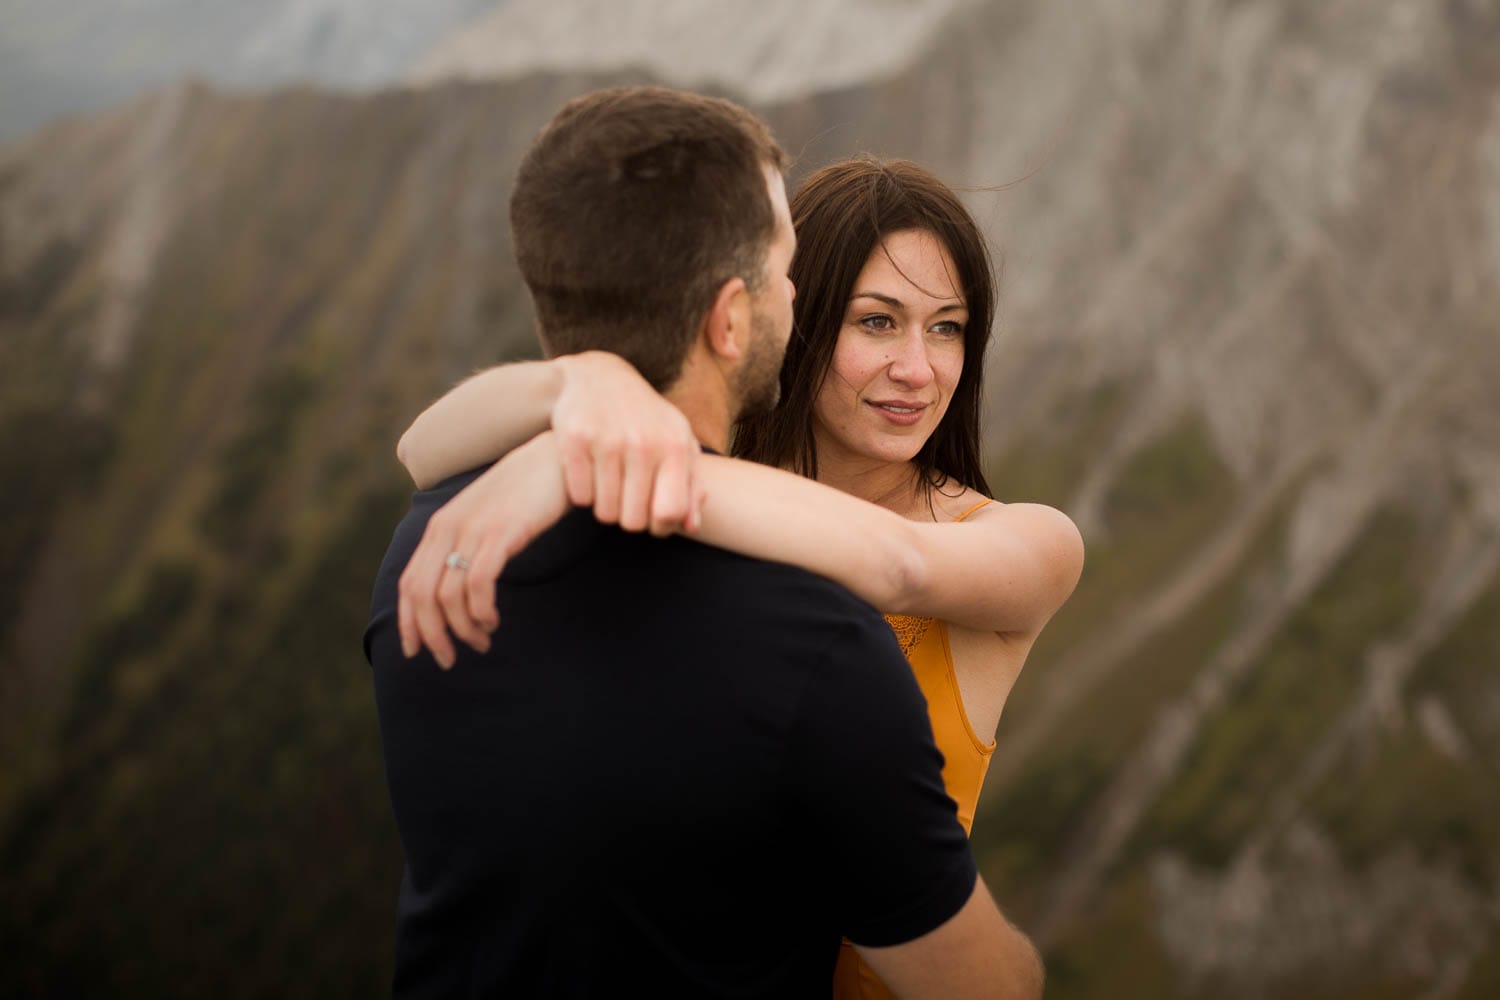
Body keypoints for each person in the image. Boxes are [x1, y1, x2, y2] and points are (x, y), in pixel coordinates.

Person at [364, 85, 1044, 998]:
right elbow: (416, 444)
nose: (919, 370)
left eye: (950, 328)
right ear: (771, 317)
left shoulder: (1025, 544)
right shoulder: (803, 640)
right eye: (874, 321)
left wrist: (572, 454)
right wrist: (579, 393)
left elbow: (898, 564)